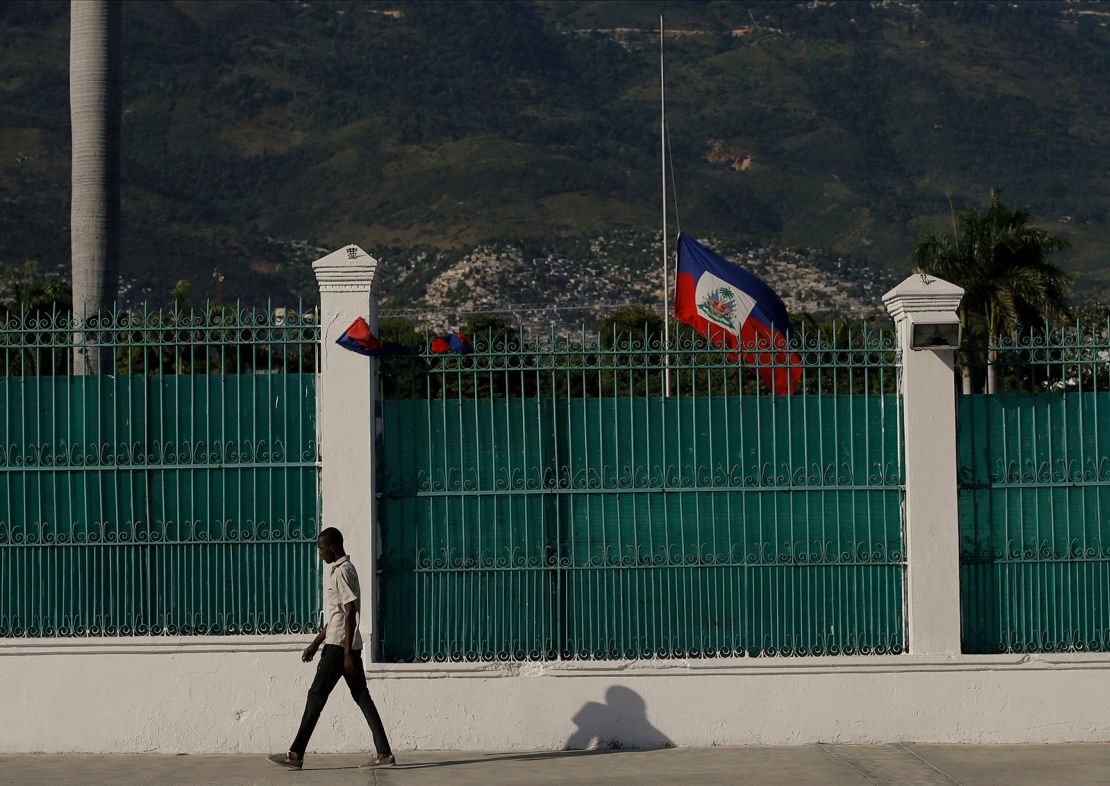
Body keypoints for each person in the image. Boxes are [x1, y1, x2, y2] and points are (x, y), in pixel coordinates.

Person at [268, 527, 394, 769]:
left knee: (316, 695)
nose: (321, 553)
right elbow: (337, 615)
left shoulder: (342, 571)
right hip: (342, 644)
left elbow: (349, 612)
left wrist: (346, 654)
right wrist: (316, 643)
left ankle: (295, 755)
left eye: (322, 548)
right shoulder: (343, 570)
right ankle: (384, 753)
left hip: (339, 648)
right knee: (362, 697)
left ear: (333, 546)